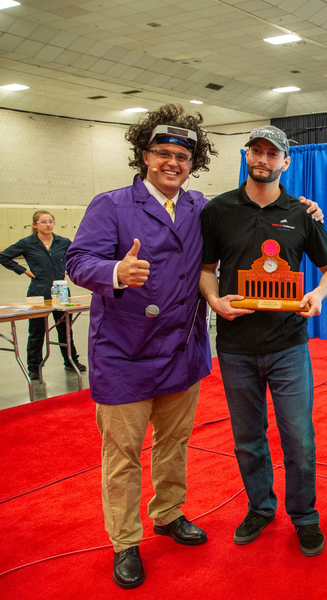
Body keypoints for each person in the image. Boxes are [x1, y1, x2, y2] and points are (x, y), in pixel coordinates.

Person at [66, 104, 217, 589]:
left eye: (182, 156)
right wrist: (114, 272)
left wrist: (304, 209)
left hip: (180, 350)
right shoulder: (110, 205)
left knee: (173, 445)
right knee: (123, 455)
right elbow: (77, 260)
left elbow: (244, 219)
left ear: (193, 162)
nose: (173, 163)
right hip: (124, 353)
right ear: (144, 155)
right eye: (163, 153)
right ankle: (125, 541)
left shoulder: (197, 206)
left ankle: (169, 513)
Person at [199, 125, 327, 557]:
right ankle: (260, 507)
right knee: (247, 437)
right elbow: (207, 269)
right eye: (255, 151)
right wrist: (214, 301)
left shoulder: (301, 213)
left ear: (286, 161)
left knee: (298, 438)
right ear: (246, 155)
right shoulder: (218, 210)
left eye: (271, 154)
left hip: (288, 345)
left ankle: (305, 517)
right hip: (235, 346)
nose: (263, 159)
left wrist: (317, 295)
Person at [1, 210, 85, 379]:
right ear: (35, 225)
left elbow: (76, 256)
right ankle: (34, 366)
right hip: (38, 291)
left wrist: (70, 269)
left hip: (61, 290)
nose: (48, 224)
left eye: (50, 221)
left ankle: (70, 360)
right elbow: (3, 256)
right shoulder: (27, 243)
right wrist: (23, 270)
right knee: (36, 331)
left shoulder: (63, 242)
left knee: (65, 329)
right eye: (44, 222)